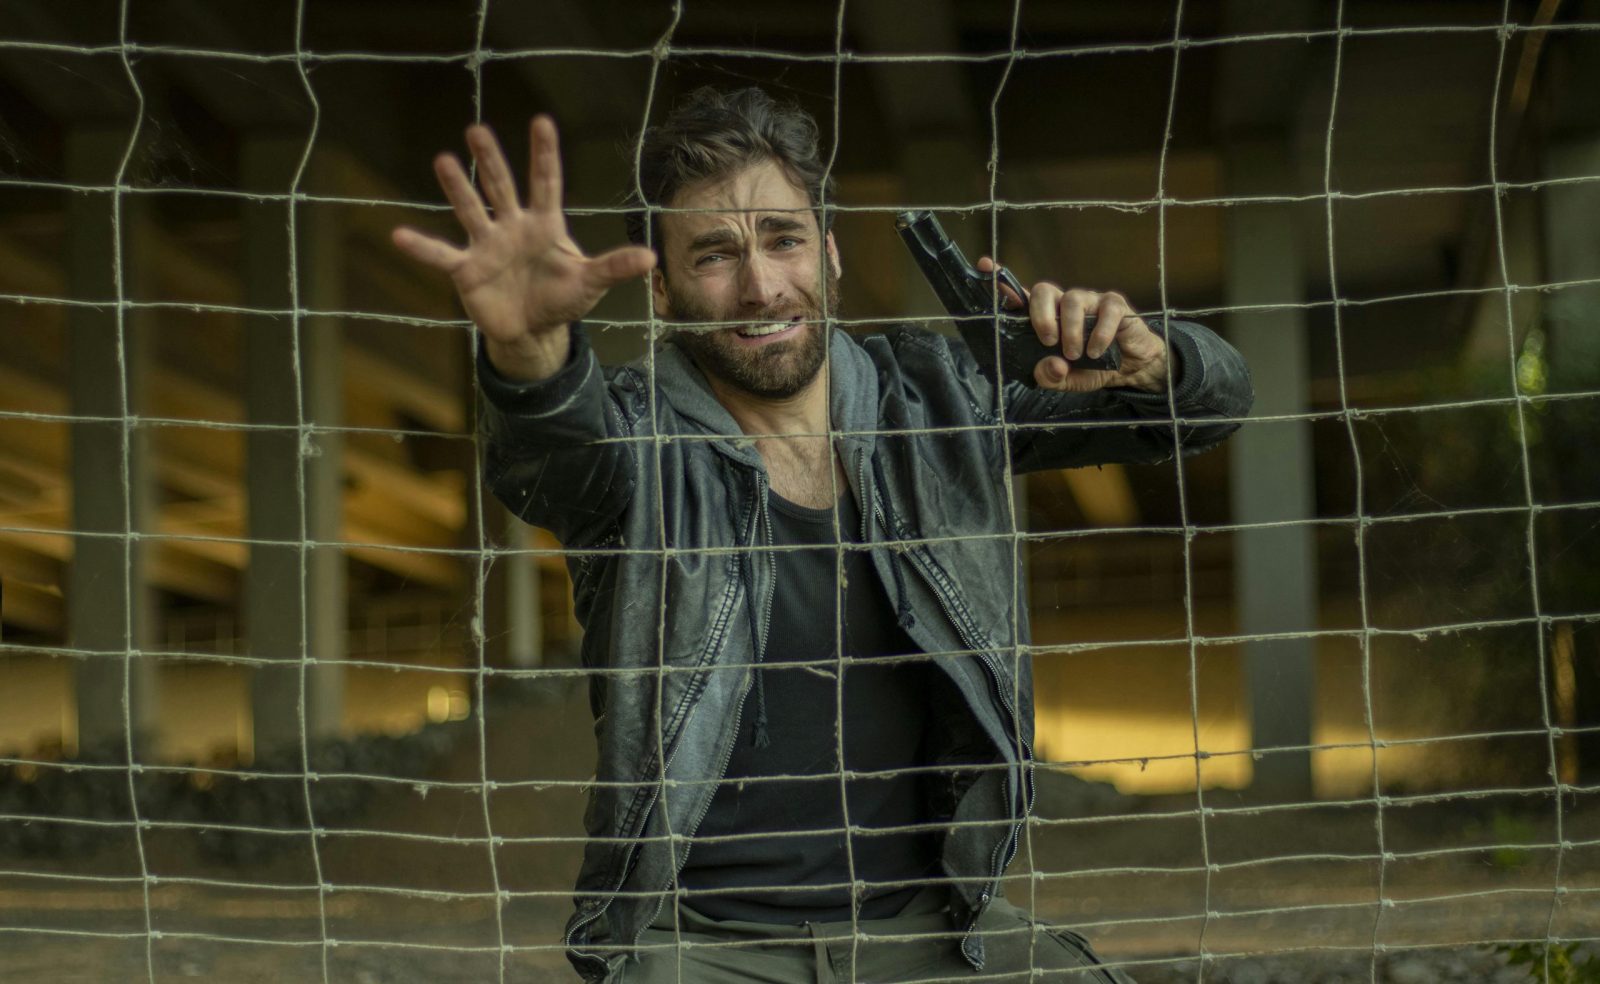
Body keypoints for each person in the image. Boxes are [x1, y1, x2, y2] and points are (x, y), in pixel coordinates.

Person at [393, 86, 1252, 984]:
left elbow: (1210, 409)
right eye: (715, 254)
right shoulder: (634, 442)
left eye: (783, 239)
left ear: (830, 254)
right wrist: (531, 355)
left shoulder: (939, 398)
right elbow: (548, 454)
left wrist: (1160, 360)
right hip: (703, 949)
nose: (761, 285)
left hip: (928, 932)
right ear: (661, 288)